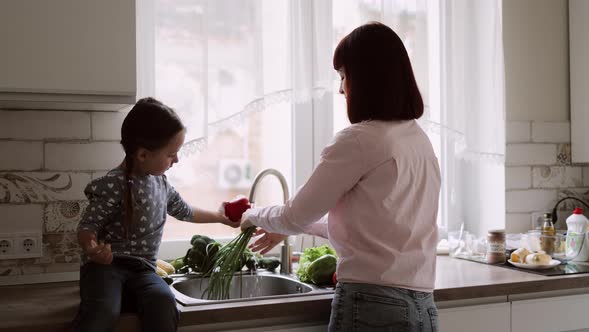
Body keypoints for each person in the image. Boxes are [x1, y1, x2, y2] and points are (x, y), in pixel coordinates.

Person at [241, 22, 441, 331]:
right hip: (423, 307)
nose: (340, 88)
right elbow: (369, 229)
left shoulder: (360, 140)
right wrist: (288, 228)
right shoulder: (418, 140)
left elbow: (293, 215)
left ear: (365, 79)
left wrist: (252, 216)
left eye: (344, 76)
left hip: (373, 303)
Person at [71, 97, 238, 332]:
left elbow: (186, 211)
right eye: (171, 154)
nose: (176, 159)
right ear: (142, 155)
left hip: (143, 270)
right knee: (103, 313)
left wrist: (220, 217)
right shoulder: (112, 184)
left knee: (163, 302)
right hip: (105, 269)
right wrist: (92, 249)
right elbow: (87, 226)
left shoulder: (161, 184)